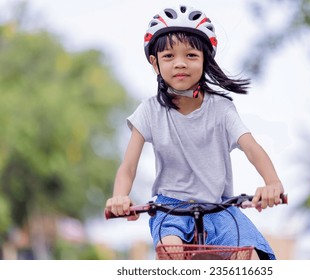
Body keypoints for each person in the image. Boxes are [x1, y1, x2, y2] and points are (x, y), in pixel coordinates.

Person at [105, 5, 284, 260]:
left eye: (190, 55)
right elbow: (128, 166)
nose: (180, 63)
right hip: (170, 210)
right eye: (168, 56)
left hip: (220, 209)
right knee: (171, 253)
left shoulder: (221, 109)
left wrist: (272, 183)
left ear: (204, 60)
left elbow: (251, 148)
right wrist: (120, 197)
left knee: (250, 258)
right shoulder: (149, 111)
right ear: (154, 63)